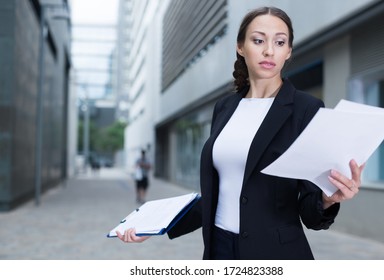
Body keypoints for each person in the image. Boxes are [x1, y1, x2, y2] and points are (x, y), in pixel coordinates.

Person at [117, 6, 365, 260]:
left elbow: (309, 212)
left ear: (288, 51)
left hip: (275, 254)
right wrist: (158, 225)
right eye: (258, 40)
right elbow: (219, 193)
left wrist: (327, 200)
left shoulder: (307, 109)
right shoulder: (225, 108)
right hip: (219, 249)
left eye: (280, 42)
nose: (269, 50)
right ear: (240, 46)